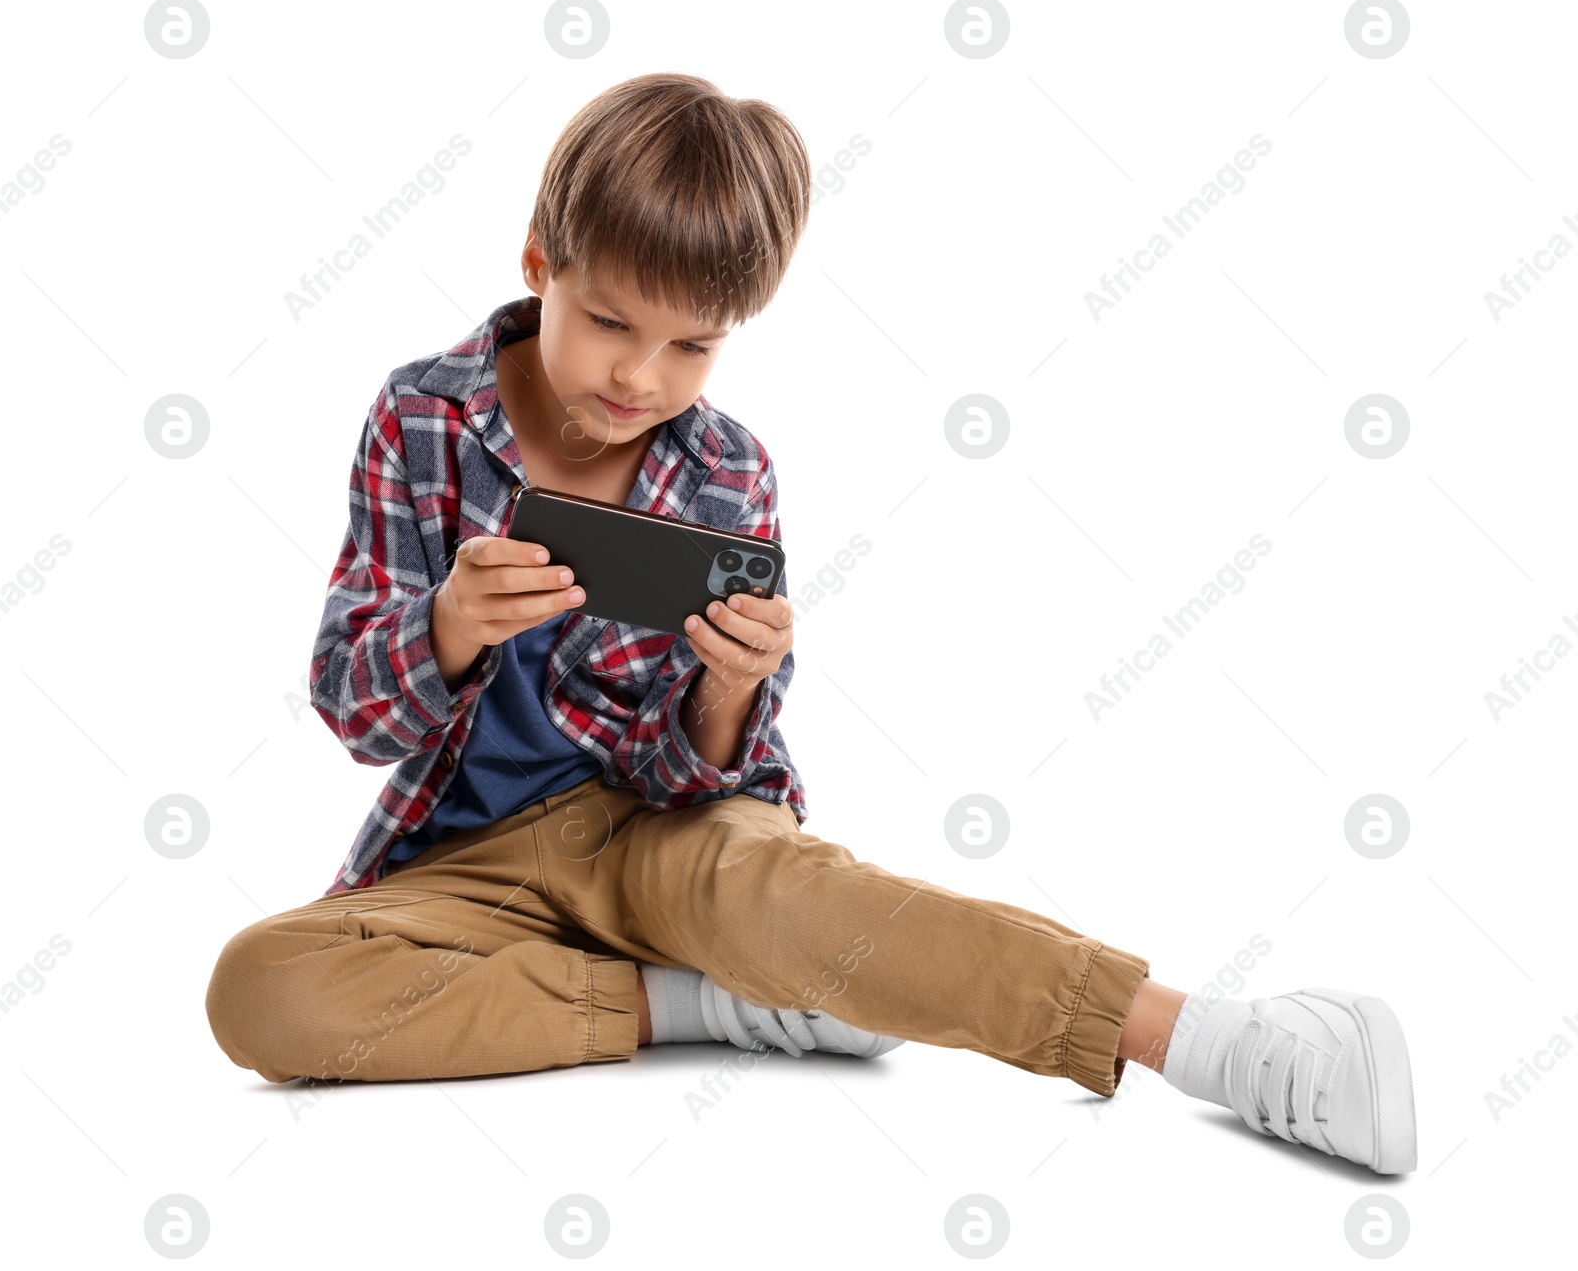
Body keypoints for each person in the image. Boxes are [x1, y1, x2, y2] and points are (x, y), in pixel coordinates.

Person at [204, 72, 1417, 1175]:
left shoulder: (729, 472)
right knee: (264, 992)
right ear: (538, 262)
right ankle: (701, 1004)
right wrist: (450, 624)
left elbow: (707, 768)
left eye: (694, 345)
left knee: (797, 899)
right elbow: (353, 710)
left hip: (662, 834)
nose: (641, 380)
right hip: (459, 869)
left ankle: (1219, 1042)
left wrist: (733, 687)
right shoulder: (423, 414)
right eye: (613, 323)